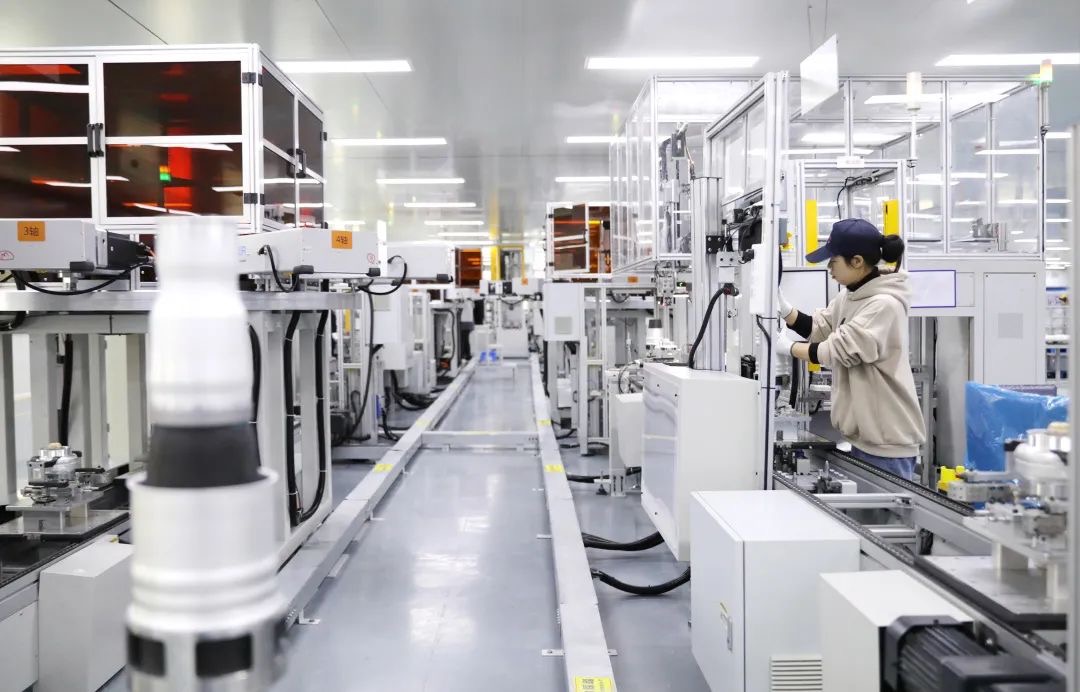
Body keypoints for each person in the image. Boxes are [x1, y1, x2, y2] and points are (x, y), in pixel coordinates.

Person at [775, 218, 926, 480]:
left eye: (833, 261)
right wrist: (785, 309)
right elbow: (820, 328)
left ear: (857, 261)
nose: (829, 269)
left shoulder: (884, 304)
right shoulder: (850, 295)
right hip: (864, 437)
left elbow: (836, 350)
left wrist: (788, 348)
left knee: (883, 508)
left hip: (887, 444)